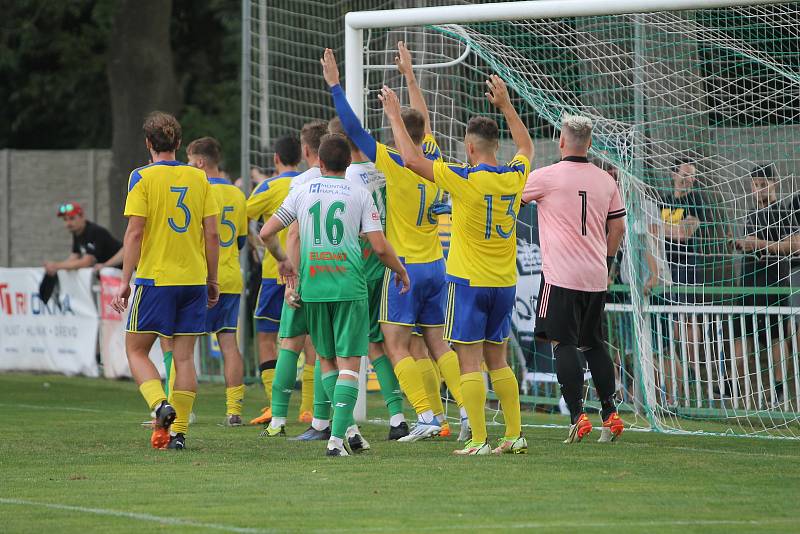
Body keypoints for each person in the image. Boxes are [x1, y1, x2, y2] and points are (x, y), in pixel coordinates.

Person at [380, 75, 534, 455]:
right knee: (497, 359)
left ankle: (480, 439)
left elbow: (413, 160)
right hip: (504, 282)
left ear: (468, 148)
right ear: (496, 146)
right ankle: (514, 434)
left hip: (468, 283)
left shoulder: (463, 178)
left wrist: (395, 117)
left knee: (469, 362)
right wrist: (505, 105)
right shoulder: (515, 176)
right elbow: (527, 145)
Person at [323, 45, 468, 443]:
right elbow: (422, 118)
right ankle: (468, 412)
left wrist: (336, 85)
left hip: (405, 267)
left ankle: (423, 415)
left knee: (394, 342)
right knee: (438, 343)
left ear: (395, 133)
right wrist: (409, 77)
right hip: (437, 264)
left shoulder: (394, 161)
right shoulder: (433, 155)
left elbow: (351, 131)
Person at [259, 134, 410, 456]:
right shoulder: (360, 193)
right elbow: (380, 247)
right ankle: (337, 439)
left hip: (313, 287)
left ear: (319, 162)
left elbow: (266, 232)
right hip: (348, 286)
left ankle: (347, 432)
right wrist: (400, 270)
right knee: (349, 363)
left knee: (325, 360)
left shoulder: (301, 191)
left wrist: (283, 261)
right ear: (348, 163)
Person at [111, 111, 220, 450]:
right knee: (184, 358)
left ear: (148, 143)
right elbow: (212, 234)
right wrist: (212, 279)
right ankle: (179, 434)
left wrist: (125, 280)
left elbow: (135, 232)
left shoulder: (141, 177)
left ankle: (160, 405)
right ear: (178, 143)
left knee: (136, 350)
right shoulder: (200, 178)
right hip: (192, 279)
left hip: (155, 280)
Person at [522, 114, 626, 444]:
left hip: (560, 276)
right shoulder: (606, 181)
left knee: (562, 343)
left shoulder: (546, 177)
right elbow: (618, 228)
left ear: (562, 141)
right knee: (593, 342)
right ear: (590, 144)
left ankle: (577, 414)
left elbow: (512, 198)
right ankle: (610, 414)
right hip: (595, 276)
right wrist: (607, 263)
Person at [329, 116, 409, 440]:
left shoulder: (346, 177)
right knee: (375, 343)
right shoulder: (382, 168)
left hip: (356, 265)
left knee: (341, 350)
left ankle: (342, 426)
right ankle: (397, 416)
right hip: (383, 264)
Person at [259, 123, 331, 439]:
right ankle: (320, 418)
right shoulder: (347, 180)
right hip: (338, 276)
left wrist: (292, 278)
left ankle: (277, 420)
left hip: (307, 275)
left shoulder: (301, 183)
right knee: (325, 350)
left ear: (305, 150)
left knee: (290, 343)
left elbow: (293, 231)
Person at [187, 136, 248, 425]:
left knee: (182, 345)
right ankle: (233, 410)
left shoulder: (197, 188)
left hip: (201, 277)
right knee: (229, 344)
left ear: (200, 162)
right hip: (231, 278)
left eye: (189, 161)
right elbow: (241, 241)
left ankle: (180, 410)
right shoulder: (237, 194)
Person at [245, 133, 304, 426]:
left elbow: (244, 213)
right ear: (302, 156)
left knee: (267, 337)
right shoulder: (308, 181)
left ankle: (273, 405)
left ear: (276, 159)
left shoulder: (270, 186)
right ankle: (308, 407)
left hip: (275, 274)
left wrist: (255, 243)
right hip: (307, 272)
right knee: (309, 340)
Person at [734, 164, 793, 407]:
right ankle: (737, 390)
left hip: (773, 282)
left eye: (763, 184)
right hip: (747, 282)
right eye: (755, 185)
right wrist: (740, 245)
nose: (759, 189)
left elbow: (791, 245)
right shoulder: (750, 212)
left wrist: (759, 244)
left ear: (774, 184)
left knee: (776, 337)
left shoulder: (783, 213)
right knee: (739, 335)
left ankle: (779, 391)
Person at [46, 202, 123, 274]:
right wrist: (57, 267)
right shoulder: (77, 233)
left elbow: (87, 262)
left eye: (72, 218)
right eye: (65, 219)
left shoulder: (93, 231)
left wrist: (57, 266)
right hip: (110, 272)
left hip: (123, 269)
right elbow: (74, 257)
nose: (68, 223)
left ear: (82, 217)